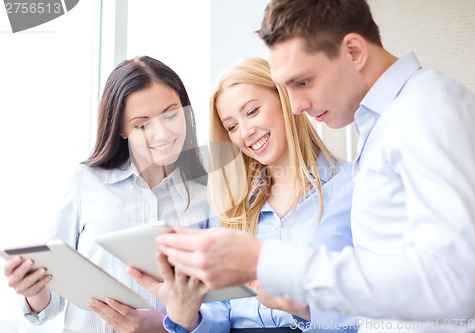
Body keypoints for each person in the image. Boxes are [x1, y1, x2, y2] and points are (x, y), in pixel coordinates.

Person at [154, 0, 475, 332]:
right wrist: (305, 308)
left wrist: (264, 259)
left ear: (353, 51)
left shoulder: (429, 112)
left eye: (303, 82)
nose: (296, 106)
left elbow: (451, 285)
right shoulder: (384, 126)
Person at [130, 57, 357, 332]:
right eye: (232, 127)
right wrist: (189, 317)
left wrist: (305, 310)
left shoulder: (353, 186)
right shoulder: (228, 206)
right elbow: (218, 312)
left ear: (285, 99)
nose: (246, 132)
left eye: (252, 112)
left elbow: (384, 303)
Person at [3, 56, 215, 332]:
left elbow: (217, 308)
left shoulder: (207, 196)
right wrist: (33, 289)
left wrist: (163, 327)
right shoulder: (85, 182)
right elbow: (52, 301)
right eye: (142, 124)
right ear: (122, 128)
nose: (162, 133)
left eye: (171, 114)